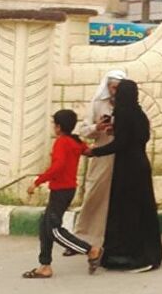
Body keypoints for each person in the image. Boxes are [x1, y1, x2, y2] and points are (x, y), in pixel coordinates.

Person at [84, 79, 162, 272]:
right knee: (142, 211)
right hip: (140, 165)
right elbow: (137, 137)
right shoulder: (140, 114)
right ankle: (150, 253)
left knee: (127, 212)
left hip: (128, 168)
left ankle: (131, 256)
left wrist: (93, 152)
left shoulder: (123, 112)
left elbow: (121, 144)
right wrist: (116, 131)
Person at [22, 110, 103, 278]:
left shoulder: (61, 143)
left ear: (59, 127)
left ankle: (91, 250)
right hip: (66, 189)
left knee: (53, 229)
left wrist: (37, 182)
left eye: (54, 124)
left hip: (61, 190)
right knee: (45, 226)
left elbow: (57, 166)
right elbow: (87, 151)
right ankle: (45, 265)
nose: (53, 127)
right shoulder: (75, 141)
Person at [72, 69, 125, 254]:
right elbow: (84, 131)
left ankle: (113, 240)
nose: (115, 91)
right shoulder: (98, 103)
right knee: (94, 196)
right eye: (112, 87)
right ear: (107, 87)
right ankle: (81, 239)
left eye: (118, 88)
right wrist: (98, 127)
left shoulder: (128, 104)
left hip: (124, 157)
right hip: (103, 154)